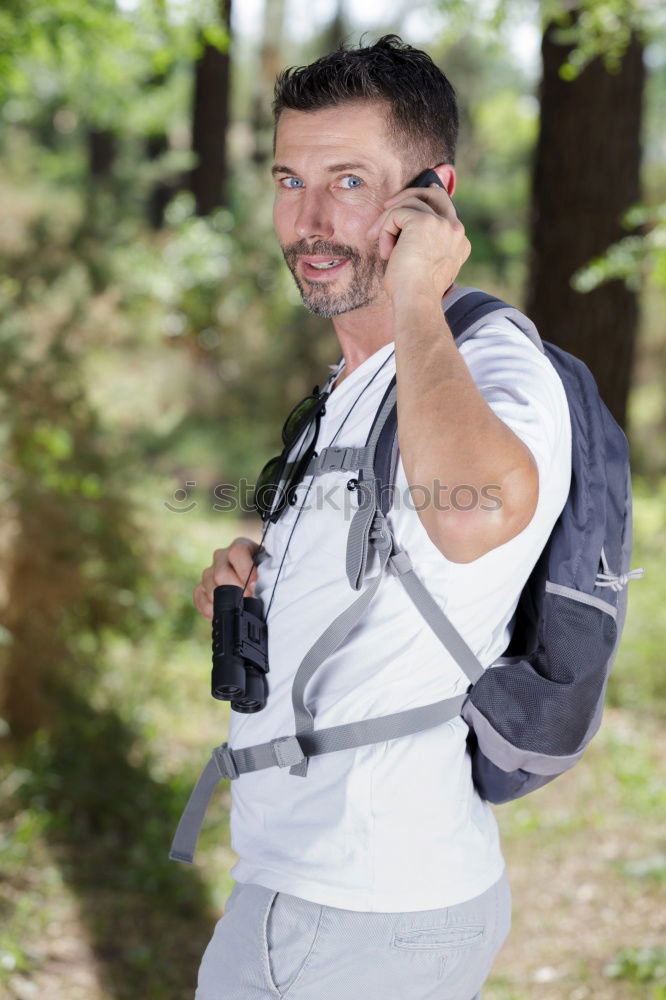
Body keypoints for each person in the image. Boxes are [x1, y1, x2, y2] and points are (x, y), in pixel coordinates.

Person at [191, 34, 572, 1000]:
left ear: (429, 199)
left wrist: (414, 295)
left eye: (350, 182)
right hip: (289, 885)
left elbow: (478, 512)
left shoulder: (491, 366)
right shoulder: (353, 383)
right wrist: (263, 574)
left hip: (378, 911)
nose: (308, 221)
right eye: (290, 179)